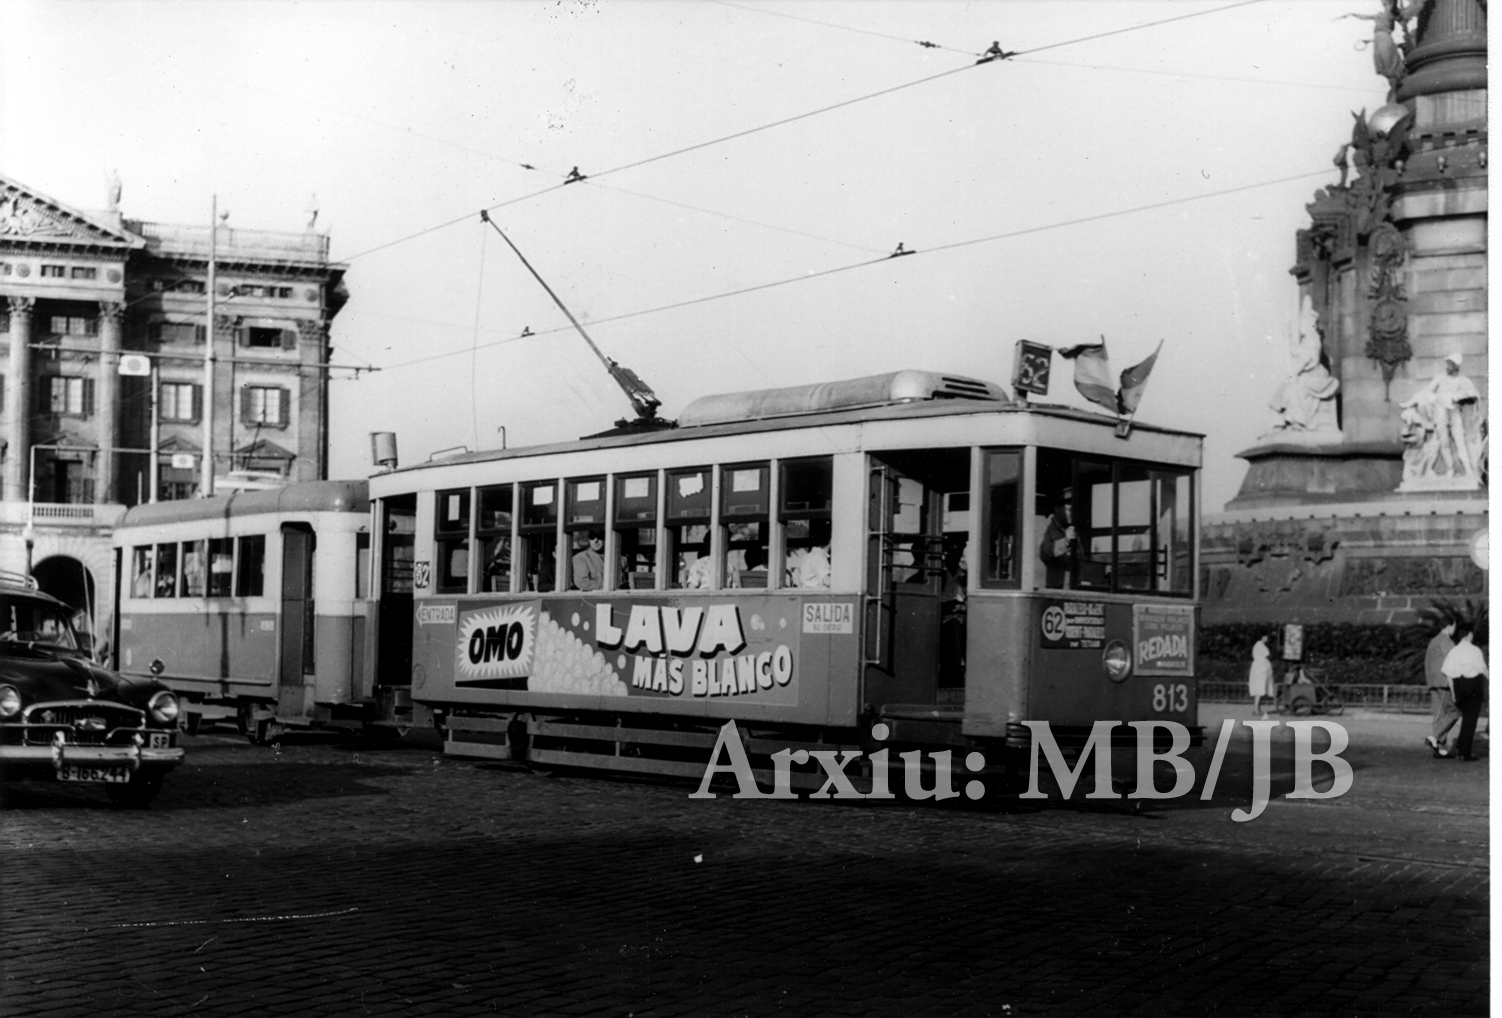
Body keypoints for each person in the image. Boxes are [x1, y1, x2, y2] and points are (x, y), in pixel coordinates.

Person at [1441, 623, 1488, 762]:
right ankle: (1464, 752)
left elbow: (1448, 674)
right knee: (1470, 720)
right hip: (1472, 685)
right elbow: (1483, 670)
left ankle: (1460, 745)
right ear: (1469, 635)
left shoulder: (1453, 651)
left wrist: (1454, 693)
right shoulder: (1474, 650)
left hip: (1458, 685)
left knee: (1466, 718)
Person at [1424, 621, 1460, 757]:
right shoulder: (1446, 641)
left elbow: (1427, 662)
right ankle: (1434, 736)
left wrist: (1429, 682)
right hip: (1444, 681)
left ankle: (1440, 749)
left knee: (1439, 715)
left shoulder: (1433, 641)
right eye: (1455, 626)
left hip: (1433, 682)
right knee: (1454, 712)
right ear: (1450, 625)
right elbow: (1453, 661)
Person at [1039, 489, 1079, 588]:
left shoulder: (1073, 529)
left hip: (1071, 588)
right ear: (1057, 508)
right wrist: (1065, 542)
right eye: (1069, 510)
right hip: (1050, 590)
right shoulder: (1045, 527)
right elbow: (1044, 551)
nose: (1072, 514)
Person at [1248, 635, 1275, 717]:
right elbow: (1267, 655)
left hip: (1257, 667)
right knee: (1260, 688)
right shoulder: (1261, 645)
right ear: (1262, 637)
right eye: (1266, 637)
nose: (1267, 638)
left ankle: (1257, 708)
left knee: (1258, 688)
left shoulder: (1256, 646)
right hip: (1261, 667)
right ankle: (1256, 709)